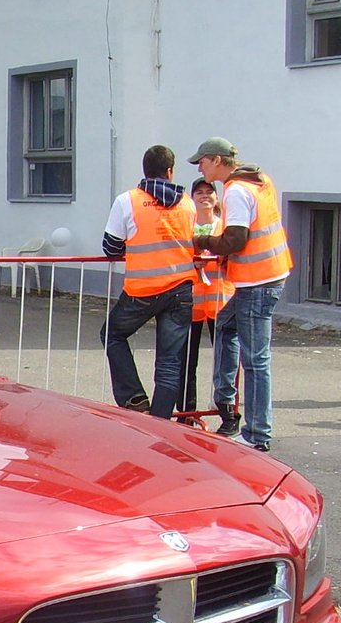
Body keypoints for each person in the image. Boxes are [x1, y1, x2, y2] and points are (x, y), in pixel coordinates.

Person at [191, 137, 294, 452]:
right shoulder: (257, 181)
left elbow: (235, 239)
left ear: (218, 160)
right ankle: (226, 402)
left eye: (203, 162)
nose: (200, 168)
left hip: (256, 280)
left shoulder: (235, 191)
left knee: (256, 359)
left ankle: (257, 434)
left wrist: (203, 241)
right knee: (225, 325)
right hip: (269, 274)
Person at [98, 145, 198, 419]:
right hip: (180, 289)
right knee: (169, 360)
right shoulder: (187, 203)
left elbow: (110, 246)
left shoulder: (127, 201)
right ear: (170, 171)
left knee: (112, 334)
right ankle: (161, 421)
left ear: (145, 171)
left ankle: (134, 397)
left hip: (143, 290)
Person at [182, 178, 232, 415]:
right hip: (190, 302)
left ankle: (226, 411)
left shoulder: (224, 227)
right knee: (186, 362)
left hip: (219, 300)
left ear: (216, 197)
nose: (204, 196)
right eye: (199, 192)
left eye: (209, 192)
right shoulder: (185, 227)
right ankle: (186, 414)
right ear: (192, 198)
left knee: (225, 361)